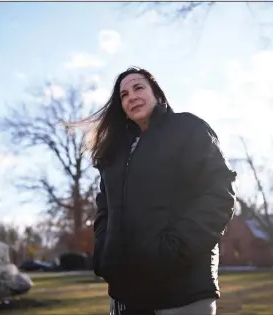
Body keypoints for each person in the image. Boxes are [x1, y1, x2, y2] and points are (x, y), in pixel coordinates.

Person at [84, 67, 237, 315]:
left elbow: (220, 191)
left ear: (157, 93)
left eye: (138, 87)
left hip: (182, 292)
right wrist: (104, 253)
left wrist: (177, 248)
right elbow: (104, 211)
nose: (131, 96)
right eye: (123, 94)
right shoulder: (113, 153)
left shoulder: (188, 129)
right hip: (125, 296)